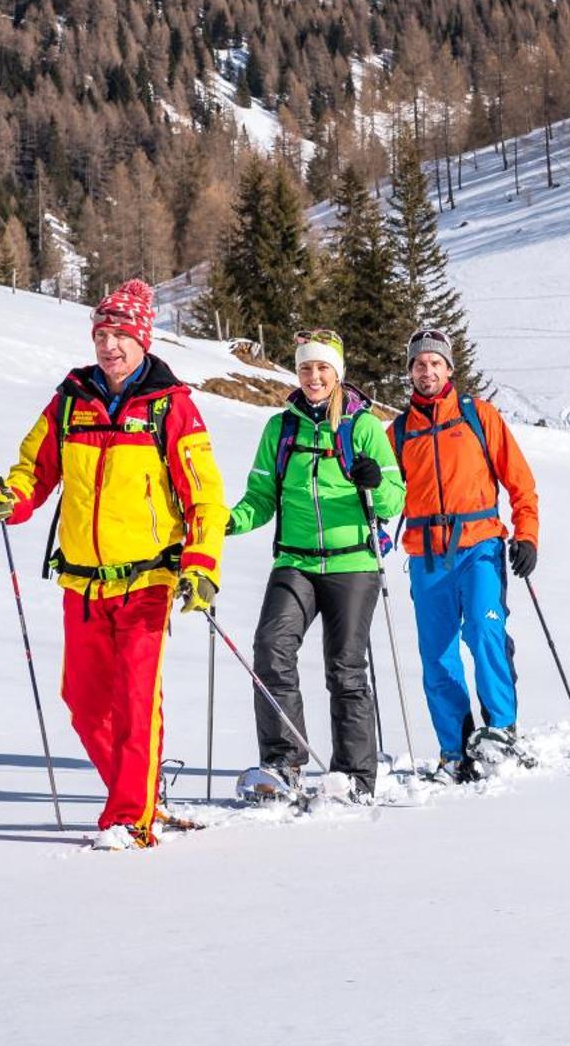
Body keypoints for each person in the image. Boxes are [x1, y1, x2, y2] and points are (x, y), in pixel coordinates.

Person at [0, 279, 225, 850]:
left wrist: (202, 563)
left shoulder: (172, 407)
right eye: (102, 334)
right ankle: (138, 794)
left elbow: (205, 497)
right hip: (82, 582)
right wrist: (12, 499)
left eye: (120, 335)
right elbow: (33, 468)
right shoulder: (70, 400)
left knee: (138, 700)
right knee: (86, 704)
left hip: (147, 580)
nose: (109, 346)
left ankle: (130, 819)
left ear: (143, 340)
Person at [227, 329, 405, 801]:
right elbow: (261, 498)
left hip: (353, 562)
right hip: (295, 562)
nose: (313, 376)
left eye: (322, 367)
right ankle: (284, 764)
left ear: (337, 373)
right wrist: (224, 523)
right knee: (270, 649)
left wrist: (373, 483)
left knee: (345, 668)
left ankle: (354, 776)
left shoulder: (362, 427)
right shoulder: (280, 429)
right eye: (305, 367)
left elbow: (395, 496)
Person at [390, 327, 540, 782]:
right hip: (426, 557)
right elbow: (383, 497)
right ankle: (454, 750)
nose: (427, 370)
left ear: (449, 369)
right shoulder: (397, 432)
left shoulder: (480, 416)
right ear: (410, 372)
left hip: (480, 546)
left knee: (483, 630)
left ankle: (501, 731)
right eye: (419, 364)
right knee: (437, 655)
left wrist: (527, 535)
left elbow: (520, 481)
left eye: (435, 363)